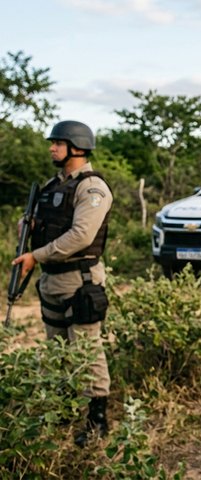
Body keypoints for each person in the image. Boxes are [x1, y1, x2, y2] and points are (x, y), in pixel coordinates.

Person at [12, 120, 113, 447]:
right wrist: (27, 226)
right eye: (53, 143)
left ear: (77, 147)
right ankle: (63, 410)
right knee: (57, 347)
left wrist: (36, 256)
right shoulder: (52, 185)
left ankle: (97, 420)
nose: (52, 148)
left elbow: (81, 236)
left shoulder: (92, 188)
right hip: (52, 280)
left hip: (79, 279)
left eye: (58, 143)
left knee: (86, 349)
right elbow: (43, 222)